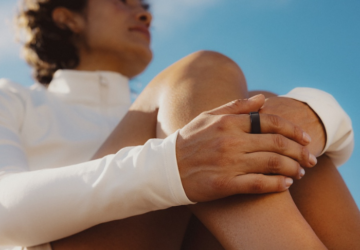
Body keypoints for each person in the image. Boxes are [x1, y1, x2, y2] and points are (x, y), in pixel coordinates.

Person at [0, 0, 358, 249]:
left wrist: (322, 113)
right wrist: (172, 166)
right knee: (203, 71)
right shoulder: (14, 98)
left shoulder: (166, 115)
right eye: (123, 1)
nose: (144, 16)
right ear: (67, 18)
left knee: (258, 113)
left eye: (144, 8)